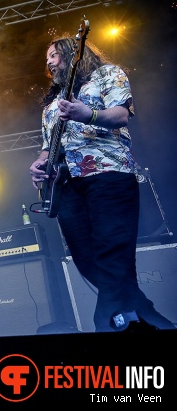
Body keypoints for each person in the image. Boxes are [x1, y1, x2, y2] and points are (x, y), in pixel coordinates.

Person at [28, 35, 174, 332]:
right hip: (68, 186)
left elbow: (121, 116)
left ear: (72, 52)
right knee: (84, 258)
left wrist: (88, 114)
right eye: (47, 60)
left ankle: (105, 324)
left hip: (108, 173)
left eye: (53, 55)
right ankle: (153, 321)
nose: (49, 62)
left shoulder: (108, 74)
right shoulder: (52, 104)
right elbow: (48, 146)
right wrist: (40, 163)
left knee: (111, 254)